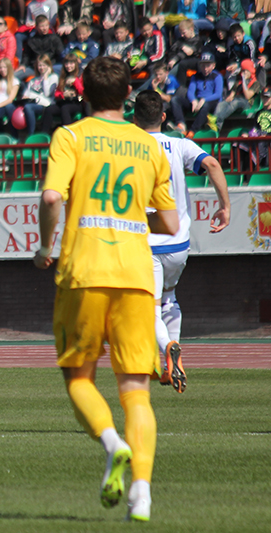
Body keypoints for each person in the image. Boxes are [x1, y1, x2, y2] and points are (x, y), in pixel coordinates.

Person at [33, 56, 179, 523]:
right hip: (136, 275)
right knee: (136, 391)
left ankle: (113, 444)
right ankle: (142, 493)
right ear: (127, 96)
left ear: (83, 92)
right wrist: (131, 217)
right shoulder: (149, 145)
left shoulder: (70, 136)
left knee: (79, 378)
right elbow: (169, 221)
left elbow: (51, 197)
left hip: (85, 271)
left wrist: (45, 245)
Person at [133, 89, 230, 394]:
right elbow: (212, 165)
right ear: (163, 117)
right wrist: (225, 207)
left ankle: (168, 346)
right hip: (178, 241)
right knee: (169, 298)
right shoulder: (179, 144)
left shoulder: (129, 147)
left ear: (135, 120)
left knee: (148, 307)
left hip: (146, 241)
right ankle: (170, 366)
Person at [169, 52, 224, 137]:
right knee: (175, 100)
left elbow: (218, 94)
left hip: (211, 102)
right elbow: (191, 91)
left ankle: (192, 131)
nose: (205, 68)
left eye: (208, 66)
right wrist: (193, 100)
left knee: (205, 105)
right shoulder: (195, 76)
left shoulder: (217, 76)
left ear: (213, 66)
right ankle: (181, 125)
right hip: (198, 101)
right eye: (203, 65)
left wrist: (204, 100)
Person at [210, 59, 260, 133]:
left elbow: (248, 96)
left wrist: (244, 81)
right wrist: (227, 100)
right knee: (222, 103)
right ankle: (214, 123)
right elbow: (232, 94)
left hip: (247, 103)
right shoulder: (238, 82)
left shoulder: (256, 83)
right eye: (243, 70)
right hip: (235, 100)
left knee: (235, 102)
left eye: (246, 70)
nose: (244, 73)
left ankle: (219, 119)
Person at [11, 53, 57, 136]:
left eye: (44, 65)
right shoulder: (34, 79)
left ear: (48, 66)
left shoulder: (53, 77)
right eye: (40, 66)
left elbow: (47, 94)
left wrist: (45, 77)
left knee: (28, 107)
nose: (41, 68)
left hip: (46, 104)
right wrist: (25, 96)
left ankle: (31, 134)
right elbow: (27, 92)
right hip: (33, 102)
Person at [41, 54, 84, 134]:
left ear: (75, 64)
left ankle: (68, 133)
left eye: (71, 63)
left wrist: (75, 81)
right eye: (66, 63)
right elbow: (57, 93)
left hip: (77, 103)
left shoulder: (80, 75)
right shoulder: (63, 76)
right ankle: (44, 134)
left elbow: (82, 92)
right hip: (64, 101)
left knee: (65, 108)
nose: (68, 66)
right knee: (49, 109)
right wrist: (63, 95)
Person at [17, 15, 64, 81]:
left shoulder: (55, 39)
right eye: (42, 26)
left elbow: (61, 54)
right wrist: (23, 65)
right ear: (36, 27)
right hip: (35, 68)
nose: (45, 28)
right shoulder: (31, 41)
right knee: (15, 76)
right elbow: (26, 56)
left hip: (51, 66)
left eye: (46, 25)